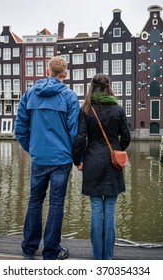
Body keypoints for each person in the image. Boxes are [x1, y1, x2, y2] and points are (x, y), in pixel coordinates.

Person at [14, 56, 80, 260]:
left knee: (34, 200)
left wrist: (32, 148)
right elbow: (74, 132)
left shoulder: (29, 94)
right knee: (56, 203)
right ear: (65, 74)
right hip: (61, 159)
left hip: (39, 157)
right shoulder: (69, 96)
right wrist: (72, 155)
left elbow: (20, 128)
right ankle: (51, 251)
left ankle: (29, 247)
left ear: (47, 70)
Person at [72, 73, 131, 260]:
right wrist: (117, 150)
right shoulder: (118, 109)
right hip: (113, 164)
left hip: (92, 162)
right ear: (108, 87)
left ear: (92, 87)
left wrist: (77, 159)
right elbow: (127, 137)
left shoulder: (86, 110)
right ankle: (108, 257)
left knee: (96, 208)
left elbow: (80, 139)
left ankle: (97, 257)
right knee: (111, 209)